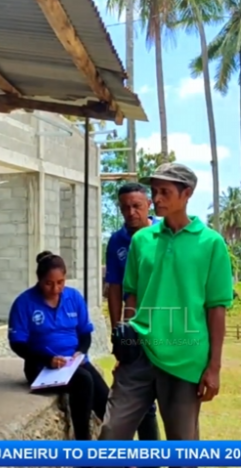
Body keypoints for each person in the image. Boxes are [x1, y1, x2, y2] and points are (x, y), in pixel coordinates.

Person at [98, 163, 234, 468]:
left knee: (182, 453)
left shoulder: (211, 244)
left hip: (185, 359)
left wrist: (213, 367)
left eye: (165, 192)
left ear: (187, 194)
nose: (157, 199)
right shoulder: (141, 241)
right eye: (155, 191)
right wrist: (124, 343)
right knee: (110, 437)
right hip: (139, 355)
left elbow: (216, 308)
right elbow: (131, 295)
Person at [8, 251, 108, 441]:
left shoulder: (74, 298)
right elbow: (17, 343)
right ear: (39, 279)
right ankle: (83, 444)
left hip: (73, 363)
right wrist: (48, 359)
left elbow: (85, 333)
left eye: (60, 282)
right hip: (41, 366)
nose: (55, 289)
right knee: (83, 381)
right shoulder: (24, 303)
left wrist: (80, 352)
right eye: (49, 283)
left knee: (106, 401)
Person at [104, 183, 161, 448]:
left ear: (149, 205)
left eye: (136, 206)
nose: (131, 212)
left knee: (170, 400)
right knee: (139, 398)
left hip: (164, 326)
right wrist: (118, 333)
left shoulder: (165, 234)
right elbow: (115, 289)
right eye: (125, 207)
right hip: (133, 326)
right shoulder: (117, 241)